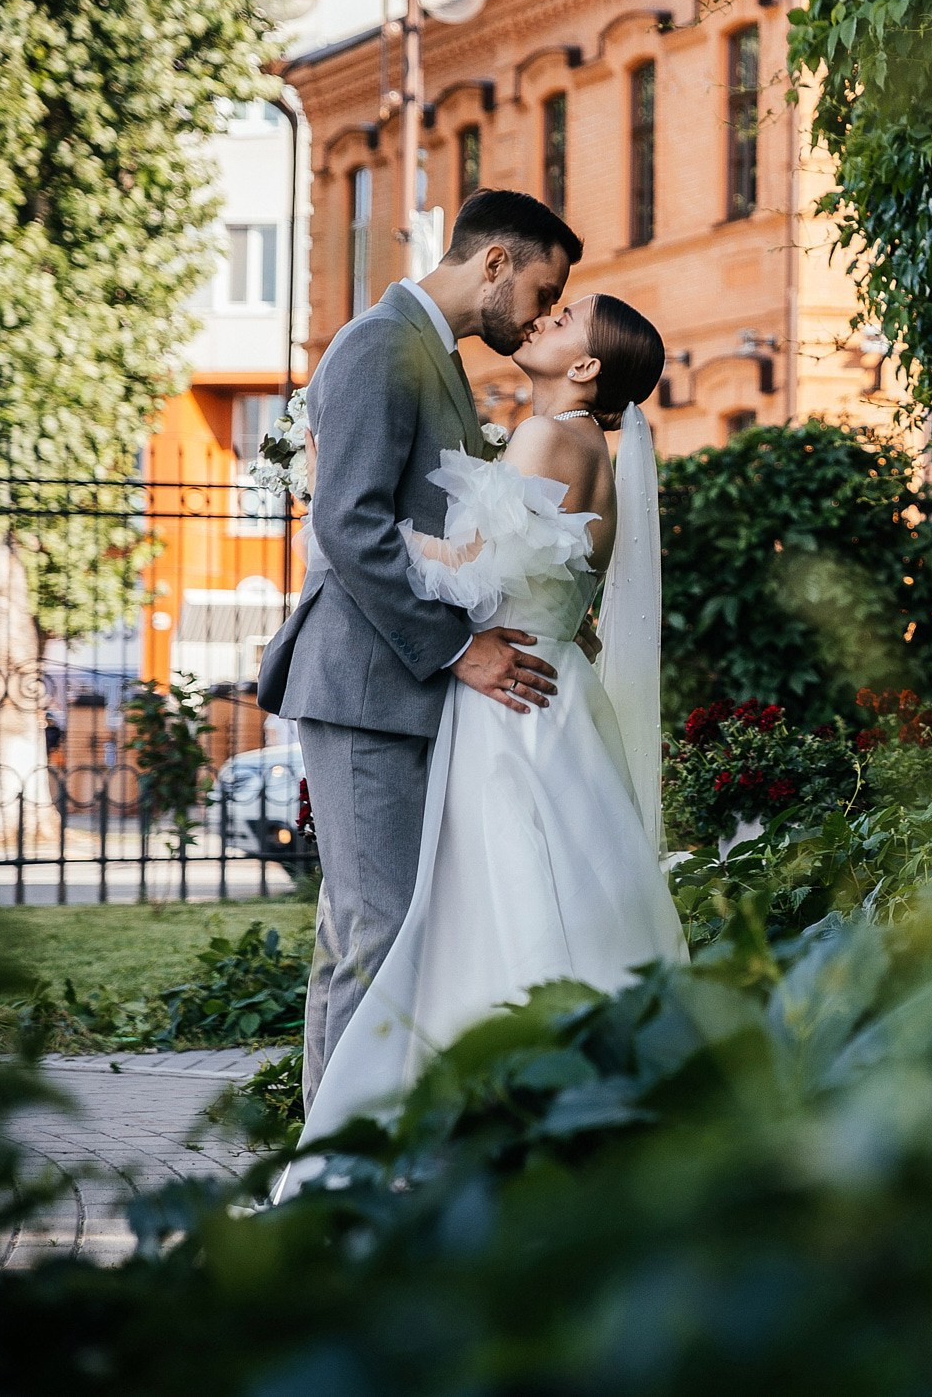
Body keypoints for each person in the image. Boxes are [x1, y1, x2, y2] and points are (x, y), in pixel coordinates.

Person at [291, 291, 685, 1157]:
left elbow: (471, 576)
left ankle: (486, 1123)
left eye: (564, 317)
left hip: (507, 699)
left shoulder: (547, 437)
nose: (544, 318)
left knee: (496, 898)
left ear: (586, 365)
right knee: (563, 890)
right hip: (555, 694)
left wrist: (337, 504)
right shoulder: (591, 448)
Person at [257, 189, 577, 1111]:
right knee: (382, 931)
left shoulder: (430, 352)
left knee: (359, 933)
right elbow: (349, 526)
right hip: (364, 684)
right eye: (542, 290)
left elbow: (443, 532)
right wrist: (457, 649)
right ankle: (345, 1164)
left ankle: (329, 1149)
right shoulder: (380, 344)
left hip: (393, 687)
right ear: (495, 263)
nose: (542, 315)